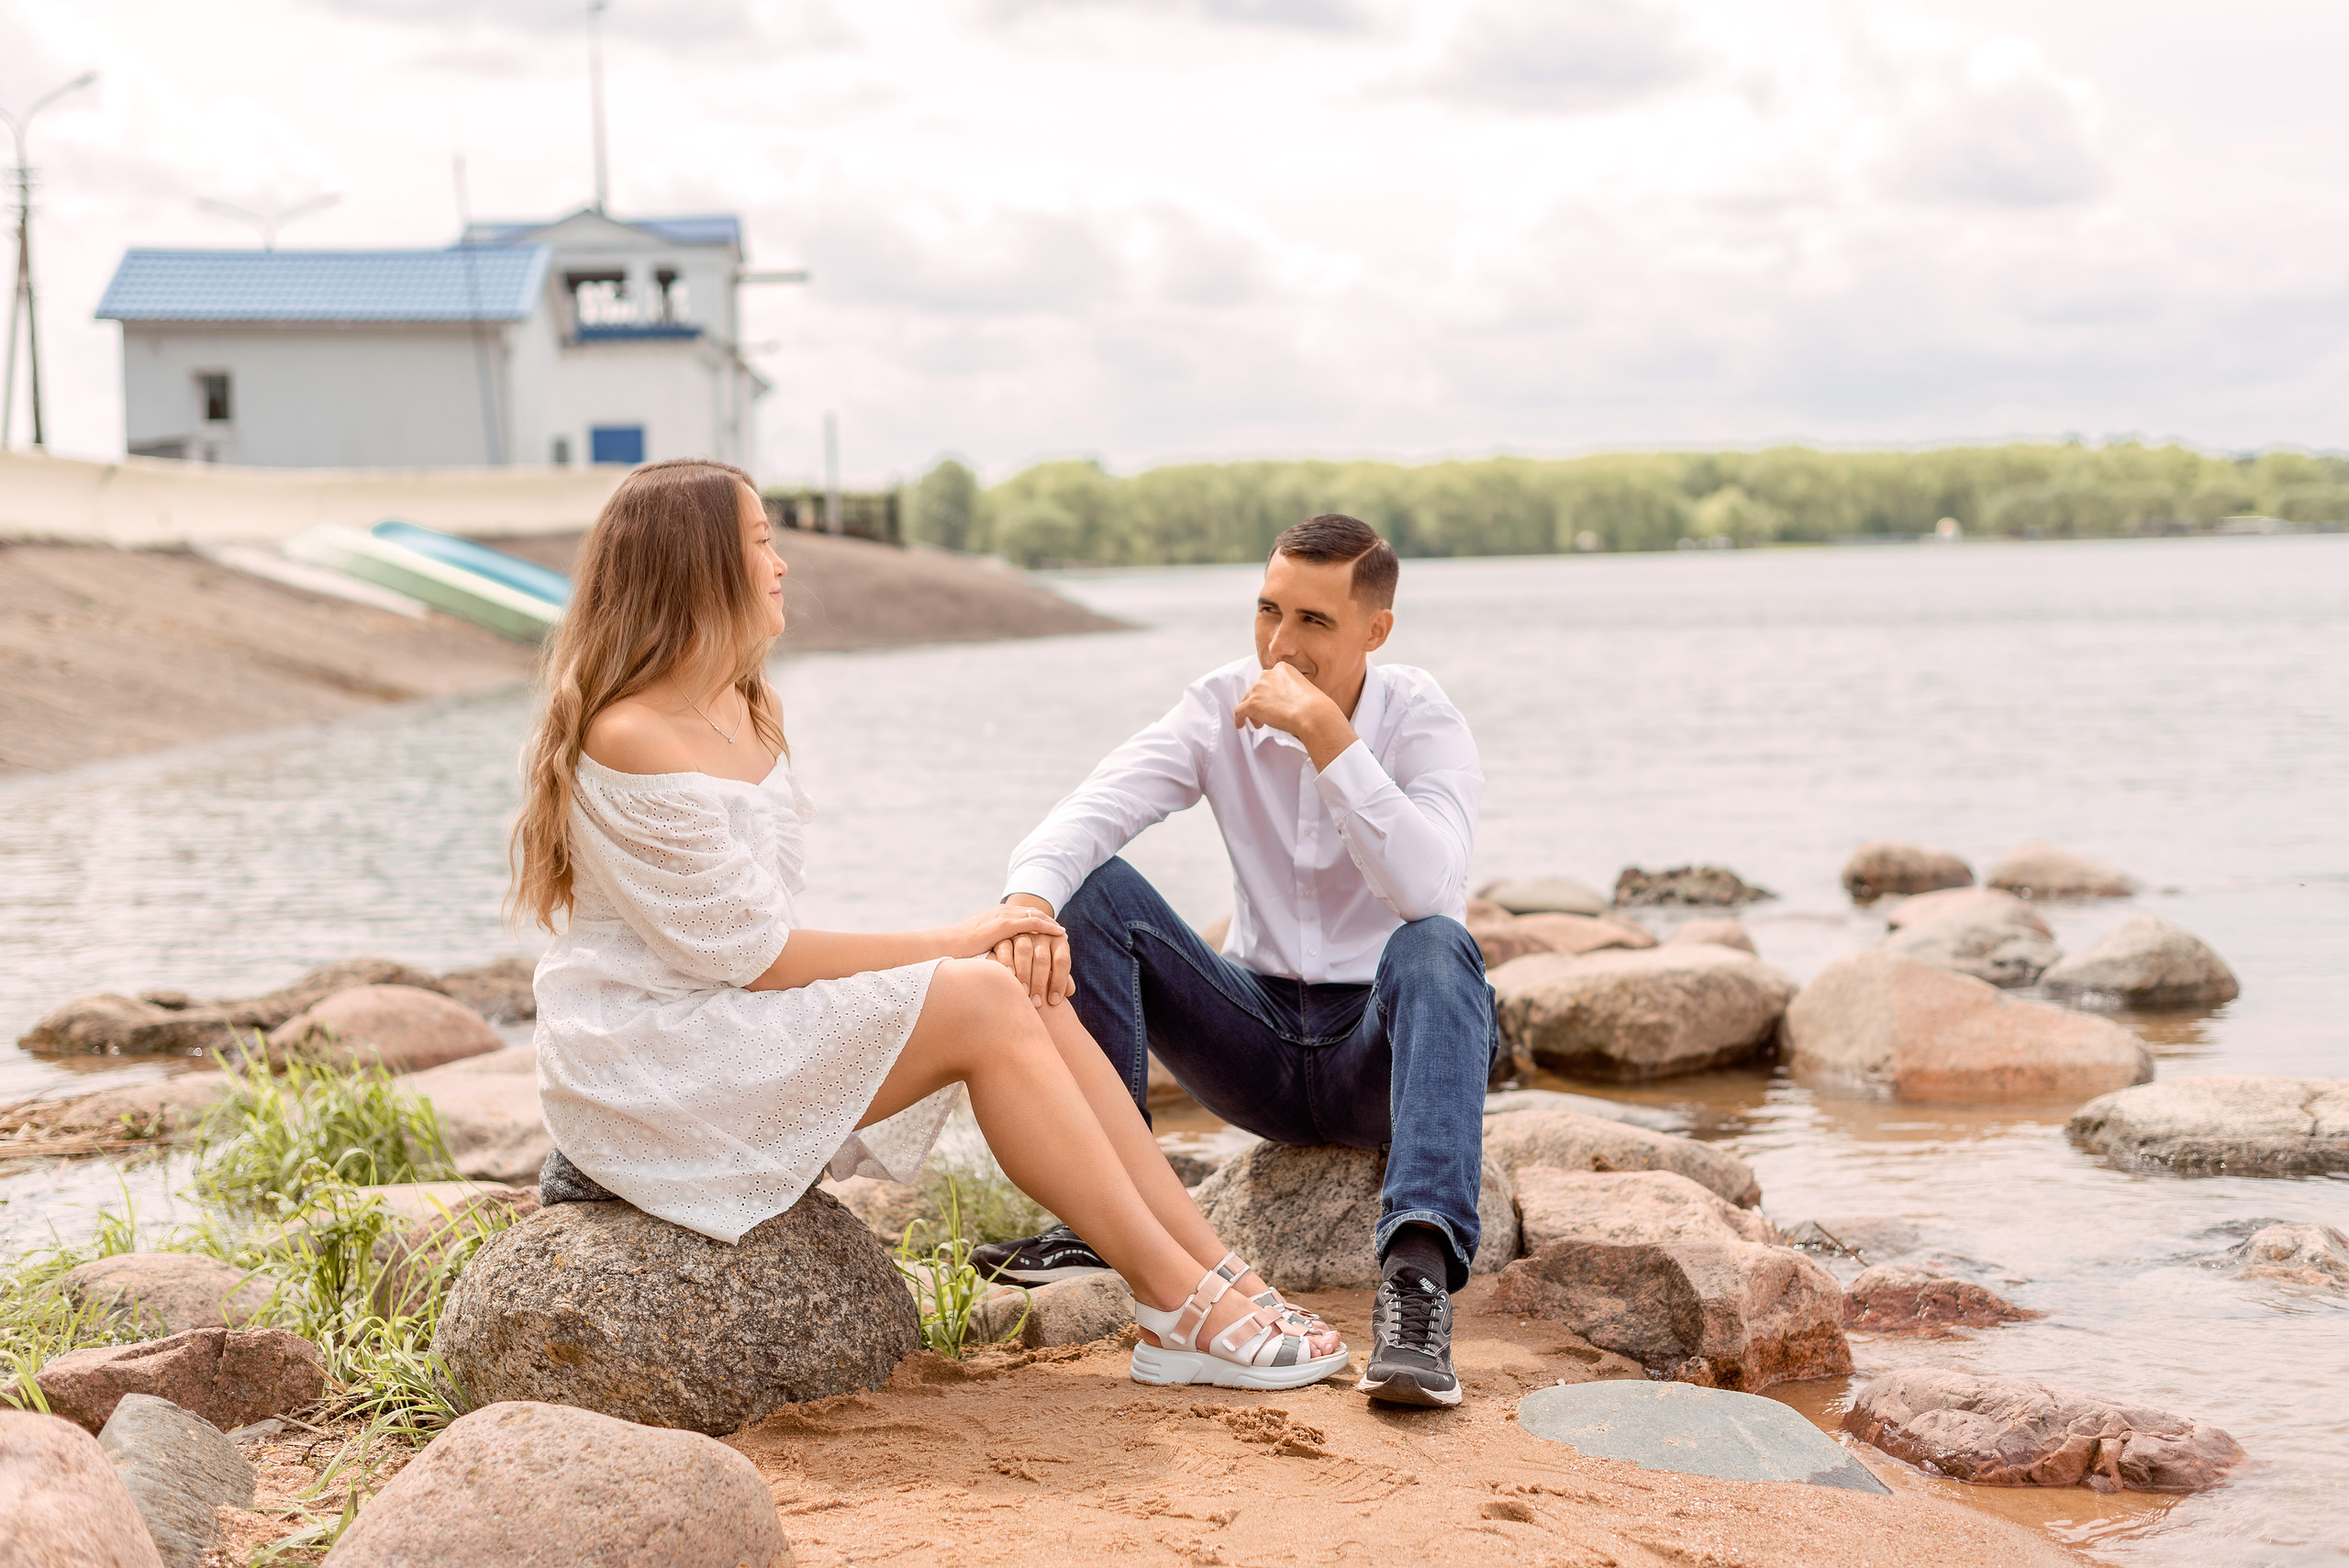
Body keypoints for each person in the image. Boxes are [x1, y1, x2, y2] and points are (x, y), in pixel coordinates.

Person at [507, 458, 1347, 1392]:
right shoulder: (627, 733)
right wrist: (964, 935)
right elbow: (753, 957)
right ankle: (1172, 1301)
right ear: (698, 566)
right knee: (988, 990)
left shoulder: (744, 705)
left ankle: (1215, 1272)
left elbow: (761, 942)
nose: (782, 564)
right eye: (759, 542)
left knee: (1018, 983)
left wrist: (982, 942)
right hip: (650, 1056)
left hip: (727, 1019)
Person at [981, 513, 1491, 1408]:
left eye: (1313, 622)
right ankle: (1098, 1218)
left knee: (1438, 945)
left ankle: (1413, 1286)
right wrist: (1028, 900)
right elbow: (1094, 808)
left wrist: (1331, 741)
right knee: (1090, 889)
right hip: (1250, 1041)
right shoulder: (1219, 703)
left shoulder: (1422, 718)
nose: (1279, 645)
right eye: (1267, 611)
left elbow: (1427, 889)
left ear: (1376, 630)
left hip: (1376, 1053)